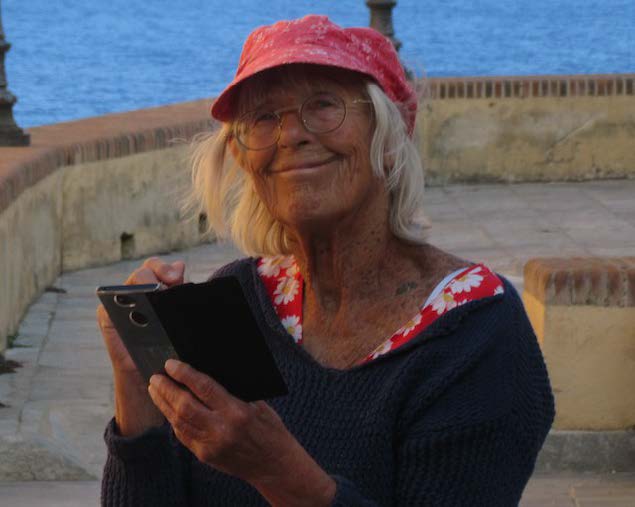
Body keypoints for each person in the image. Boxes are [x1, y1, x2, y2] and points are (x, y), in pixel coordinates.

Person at [97, 15, 555, 506]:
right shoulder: (240, 300)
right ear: (244, 158)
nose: (290, 134)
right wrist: (135, 389)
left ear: (389, 135)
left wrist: (278, 473)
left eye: (323, 104)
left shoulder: (476, 332)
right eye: (263, 117)